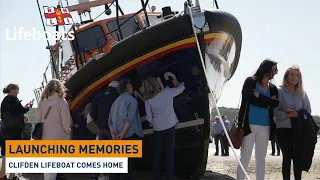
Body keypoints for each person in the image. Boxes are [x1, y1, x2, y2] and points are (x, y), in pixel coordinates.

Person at [236, 59, 280, 180]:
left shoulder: (273, 88)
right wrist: (267, 102)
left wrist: (259, 96)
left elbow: (275, 104)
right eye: (275, 69)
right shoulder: (250, 81)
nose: (277, 72)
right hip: (248, 125)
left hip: (266, 127)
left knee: (261, 159)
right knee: (245, 157)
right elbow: (249, 99)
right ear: (267, 69)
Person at [142, 77, 185, 180]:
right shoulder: (167, 92)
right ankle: (168, 177)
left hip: (157, 129)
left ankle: (156, 177)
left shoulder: (148, 101)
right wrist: (178, 83)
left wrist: (153, 124)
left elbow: (148, 118)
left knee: (157, 154)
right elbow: (181, 89)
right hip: (170, 126)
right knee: (169, 154)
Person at [274, 66, 311, 180]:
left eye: (297, 75)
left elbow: (308, 111)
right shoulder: (279, 91)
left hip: (298, 130)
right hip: (282, 129)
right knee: (286, 157)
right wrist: (286, 115)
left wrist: (297, 115)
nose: (295, 77)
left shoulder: (302, 93)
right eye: (292, 74)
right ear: (286, 76)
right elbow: (274, 110)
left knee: (297, 158)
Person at [36, 79, 71, 180]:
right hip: (59, 135)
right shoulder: (62, 101)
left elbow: (38, 119)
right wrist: (67, 131)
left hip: (45, 135)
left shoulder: (42, 101)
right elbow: (65, 120)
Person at [108, 79, 144, 180]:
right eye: (131, 86)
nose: (132, 87)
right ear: (127, 88)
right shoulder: (132, 100)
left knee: (121, 164)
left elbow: (109, 121)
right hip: (130, 135)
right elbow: (130, 119)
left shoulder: (115, 102)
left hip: (117, 137)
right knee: (128, 167)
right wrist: (123, 134)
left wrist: (114, 135)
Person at [0, 83, 32, 180]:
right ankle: (11, 176)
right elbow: (21, 110)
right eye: (17, 90)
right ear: (13, 89)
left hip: (6, 130)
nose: (18, 92)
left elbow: (2, 116)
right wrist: (27, 107)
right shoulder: (13, 99)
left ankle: (3, 174)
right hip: (15, 129)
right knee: (15, 151)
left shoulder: (4, 101)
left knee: (7, 152)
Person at [90, 81, 119, 180]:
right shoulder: (117, 95)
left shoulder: (98, 96)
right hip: (112, 129)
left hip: (101, 128)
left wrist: (99, 122)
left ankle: (102, 174)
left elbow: (92, 113)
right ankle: (112, 176)